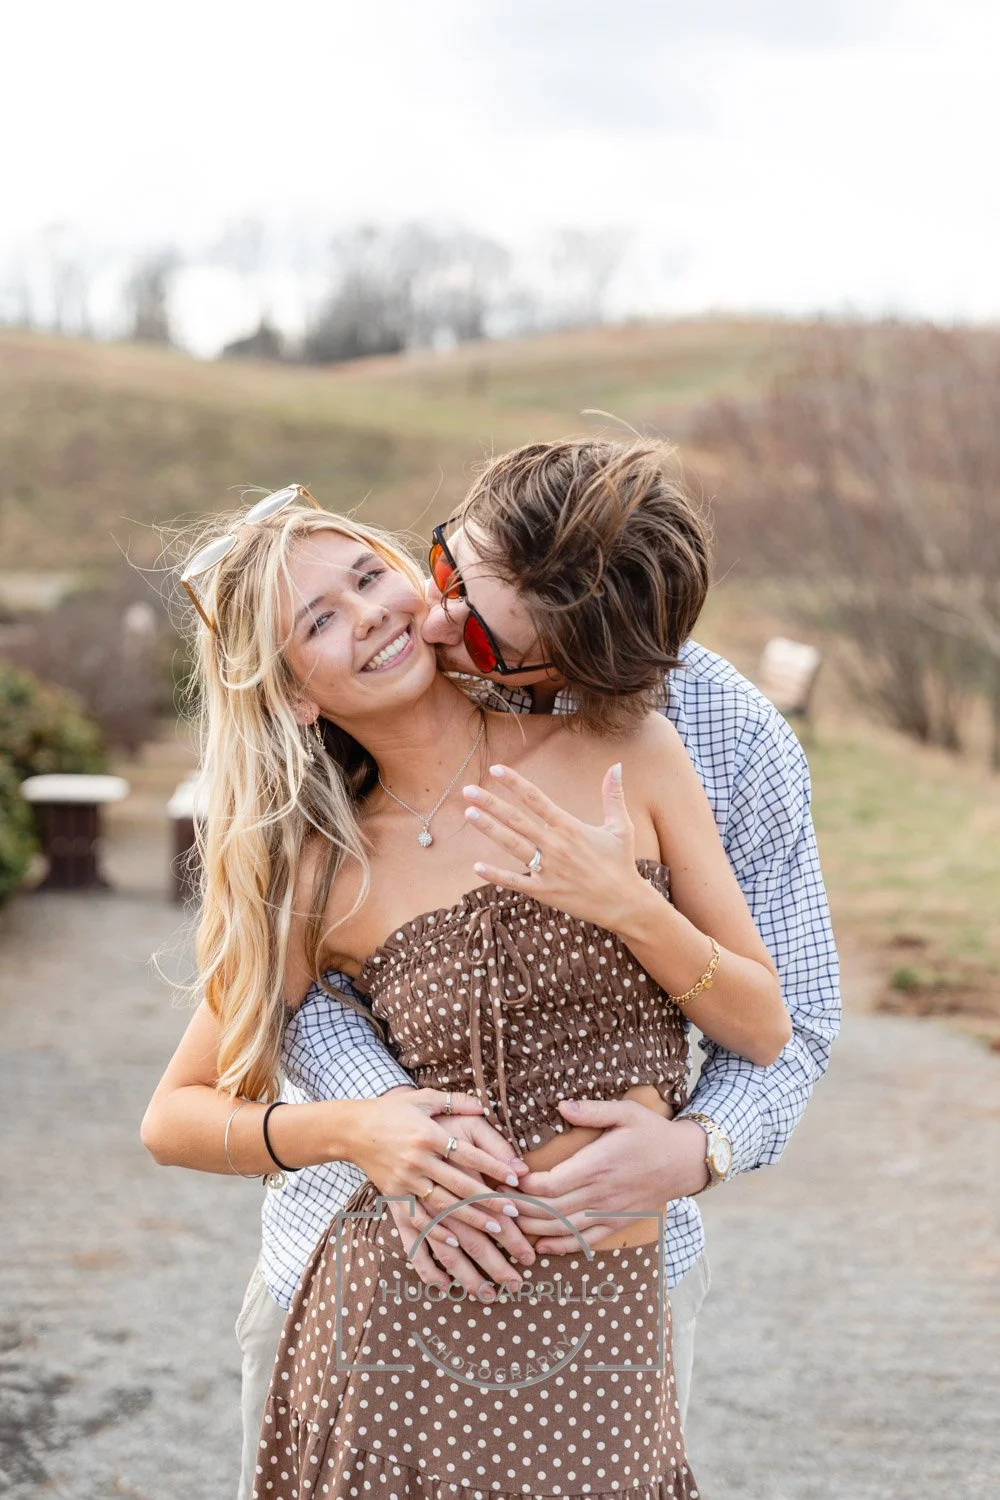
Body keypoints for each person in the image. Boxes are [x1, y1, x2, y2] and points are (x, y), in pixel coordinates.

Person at [147, 474, 793, 1499]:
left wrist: (625, 904)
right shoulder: (322, 867)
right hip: (391, 1317)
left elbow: (761, 1027)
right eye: (320, 618)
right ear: (297, 693)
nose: (367, 615)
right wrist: (359, 1133)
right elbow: (175, 1118)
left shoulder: (624, 744)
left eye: (368, 575)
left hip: (609, 1314)